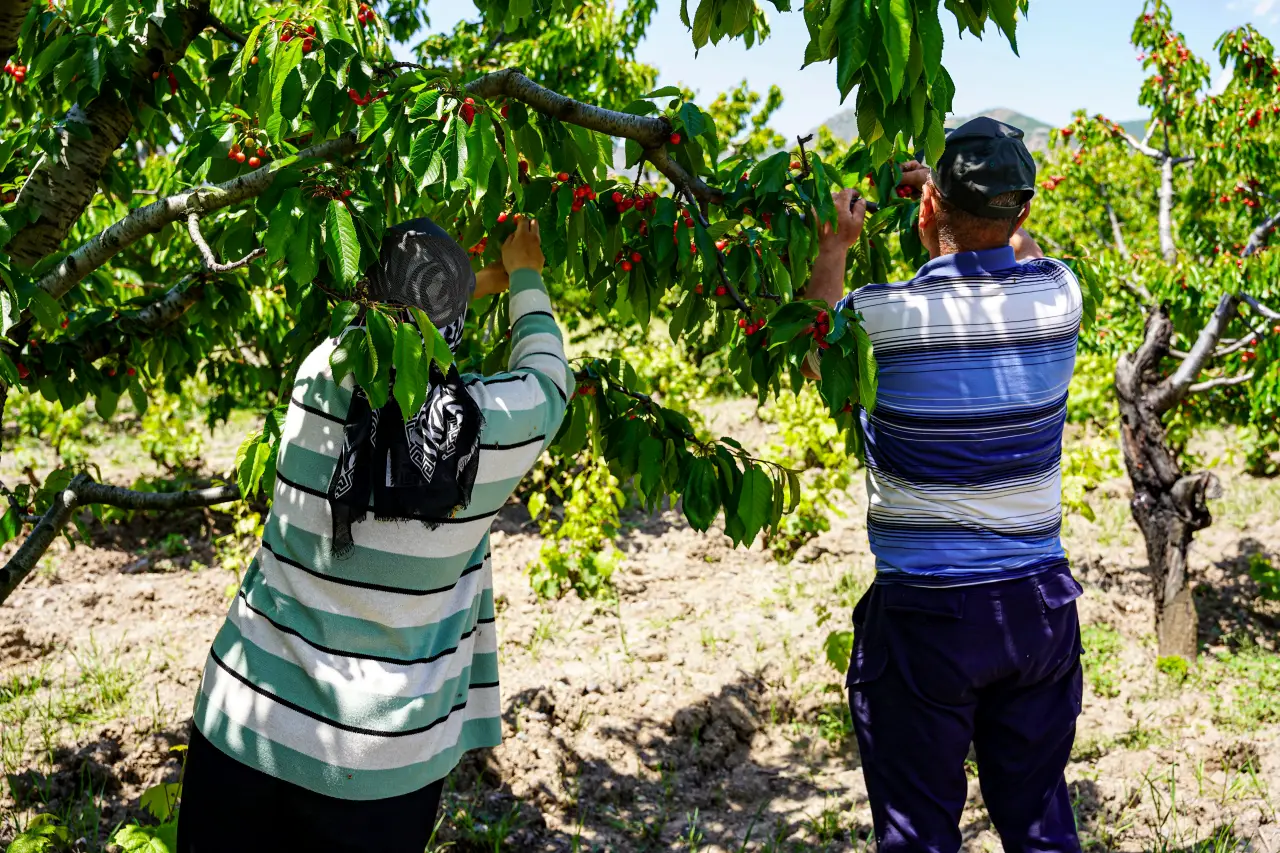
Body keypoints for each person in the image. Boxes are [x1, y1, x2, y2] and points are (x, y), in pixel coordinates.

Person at [176, 215, 572, 852]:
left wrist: (454, 281)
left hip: (243, 723)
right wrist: (524, 276)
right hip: (379, 762)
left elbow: (386, 338)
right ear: (454, 329)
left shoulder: (317, 379)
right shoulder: (493, 433)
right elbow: (550, 375)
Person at [803, 117, 1085, 853]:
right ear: (1022, 209)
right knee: (1040, 825)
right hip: (1039, 610)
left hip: (927, 620)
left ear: (928, 211)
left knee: (918, 836)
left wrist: (834, 243)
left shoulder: (880, 317)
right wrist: (956, 209)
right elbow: (1021, 248)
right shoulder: (1060, 298)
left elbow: (812, 350)